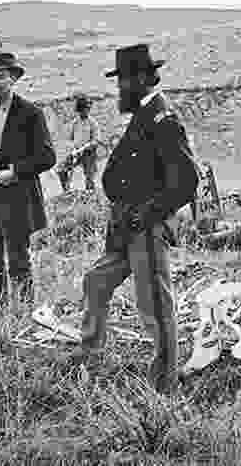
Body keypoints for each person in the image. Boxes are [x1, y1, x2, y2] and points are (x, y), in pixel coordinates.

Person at [64, 44, 200, 395]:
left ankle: (164, 386)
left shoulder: (162, 117)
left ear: (141, 79)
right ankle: (89, 354)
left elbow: (187, 181)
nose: (119, 89)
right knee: (96, 282)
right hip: (126, 227)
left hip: (145, 228)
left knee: (155, 306)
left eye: (123, 81)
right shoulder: (144, 113)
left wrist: (147, 215)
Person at [0, 52, 56, 309]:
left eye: (1, 77)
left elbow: (47, 156)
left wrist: (16, 171)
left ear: (14, 79)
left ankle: (24, 309)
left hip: (16, 195)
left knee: (18, 256)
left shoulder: (30, 113)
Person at [56, 94, 100, 192]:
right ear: (80, 109)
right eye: (84, 108)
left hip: (89, 154)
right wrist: (73, 150)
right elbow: (71, 139)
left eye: (88, 108)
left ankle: (90, 195)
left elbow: (95, 142)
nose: (86, 111)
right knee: (61, 170)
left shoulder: (93, 123)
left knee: (89, 177)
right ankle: (67, 191)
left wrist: (83, 149)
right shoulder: (75, 123)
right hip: (76, 152)